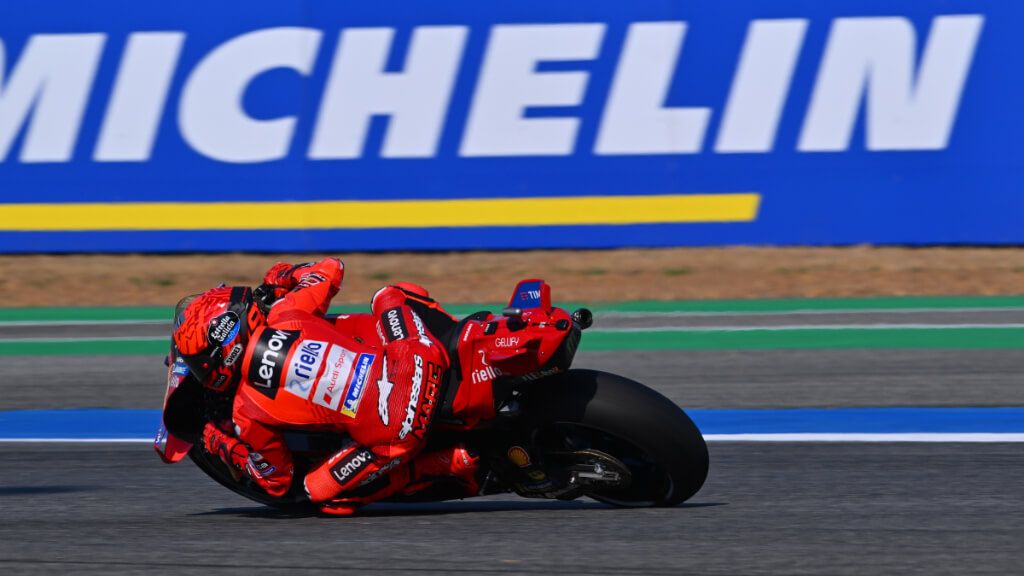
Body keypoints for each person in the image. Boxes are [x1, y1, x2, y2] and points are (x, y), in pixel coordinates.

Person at [171, 258, 479, 515]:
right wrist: (281, 277)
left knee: (315, 493)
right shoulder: (286, 312)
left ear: (224, 351)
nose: (202, 371)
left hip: (398, 431)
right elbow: (332, 267)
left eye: (200, 363)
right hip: (418, 356)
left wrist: (221, 443)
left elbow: (277, 482)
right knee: (390, 294)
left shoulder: (245, 411)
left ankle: (443, 464)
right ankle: (464, 340)